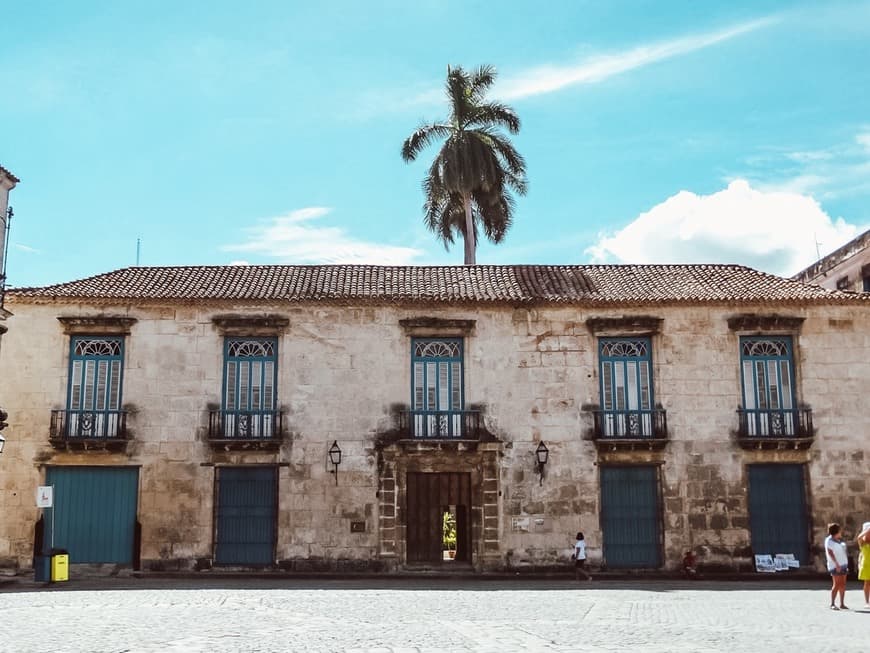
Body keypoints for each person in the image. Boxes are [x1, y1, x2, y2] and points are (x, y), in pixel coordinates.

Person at [825, 522, 849, 610]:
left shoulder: (840, 540)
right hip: (835, 565)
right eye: (839, 530)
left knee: (843, 584)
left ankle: (842, 603)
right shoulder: (829, 541)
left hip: (843, 564)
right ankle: (832, 603)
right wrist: (836, 564)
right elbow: (830, 553)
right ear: (836, 531)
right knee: (837, 584)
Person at [857, 521, 870, 609]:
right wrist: (867, 530)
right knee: (867, 583)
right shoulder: (862, 542)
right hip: (866, 565)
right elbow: (859, 537)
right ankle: (867, 601)